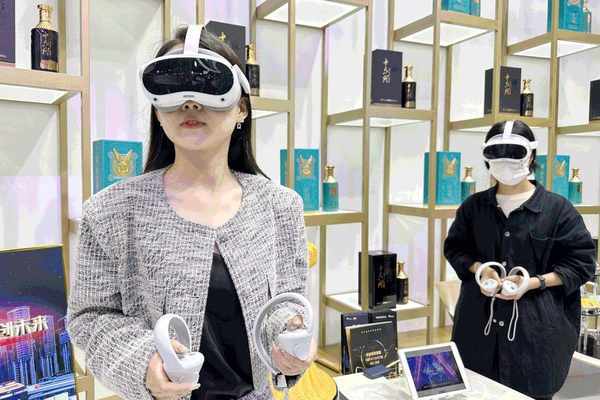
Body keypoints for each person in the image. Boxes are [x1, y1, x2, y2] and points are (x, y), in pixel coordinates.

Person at [66, 25, 315, 400]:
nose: (190, 103)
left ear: (241, 108)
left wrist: (290, 336)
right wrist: (145, 363)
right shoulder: (109, 212)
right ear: (157, 109)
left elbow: (288, 302)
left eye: (208, 85)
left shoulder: (281, 206)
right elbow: (90, 318)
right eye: (172, 87)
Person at [444, 120, 595, 400]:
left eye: (513, 153)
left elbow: (582, 263)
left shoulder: (558, 210)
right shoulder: (473, 207)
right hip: (477, 330)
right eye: (496, 154)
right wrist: (481, 270)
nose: (505, 162)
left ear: (531, 155)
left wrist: (534, 282)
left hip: (536, 335)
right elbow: (455, 248)